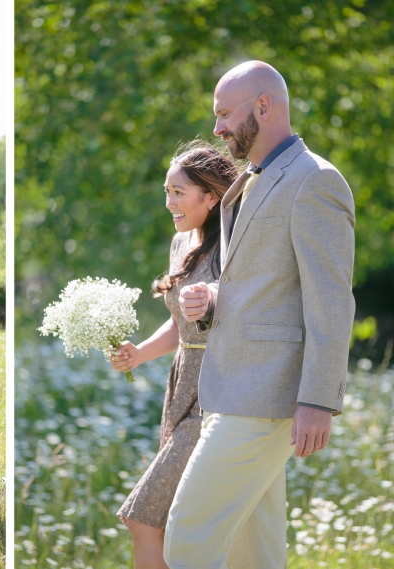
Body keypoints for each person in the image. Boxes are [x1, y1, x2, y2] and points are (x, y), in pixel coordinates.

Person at [165, 61, 355, 568]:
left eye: (225, 113)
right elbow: (264, 285)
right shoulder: (251, 180)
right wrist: (210, 297)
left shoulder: (315, 181)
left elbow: (331, 300)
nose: (218, 126)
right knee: (257, 552)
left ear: (264, 106)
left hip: (268, 397)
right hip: (232, 389)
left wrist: (318, 399)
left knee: (186, 537)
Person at [109, 141, 239, 569]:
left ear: (211, 195)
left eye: (178, 192)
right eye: (166, 191)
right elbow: (182, 323)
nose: (169, 203)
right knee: (170, 523)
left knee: (144, 518)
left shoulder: (238, 246)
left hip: (217, 393)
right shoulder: (181, 242)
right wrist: (139, 352)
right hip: (180, 386)